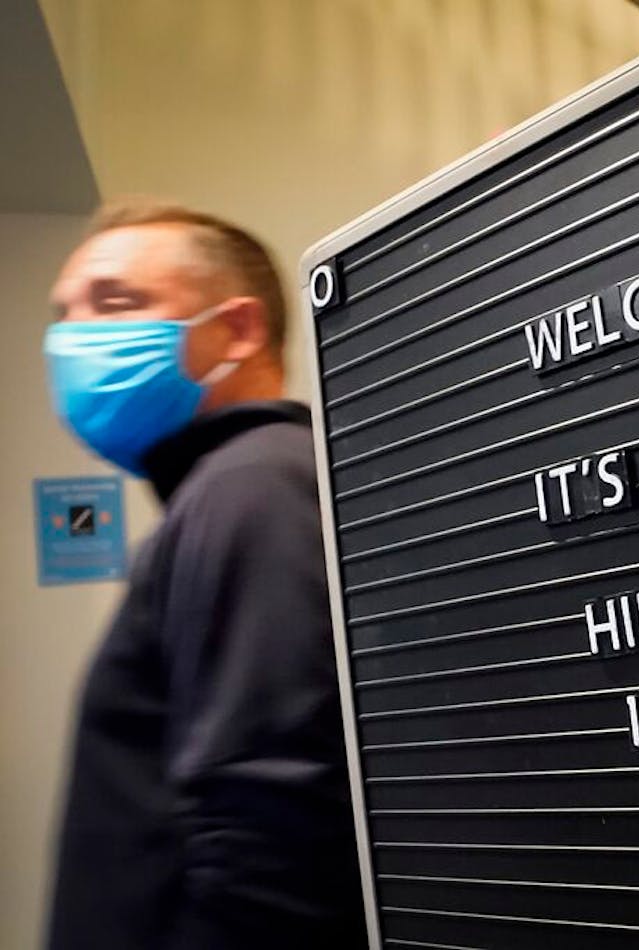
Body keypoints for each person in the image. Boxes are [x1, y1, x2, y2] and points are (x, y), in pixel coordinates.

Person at [42, 203, 368, 949]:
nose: (72, 338)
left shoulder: (251, 489)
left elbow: (270, 833)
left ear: (240, 330)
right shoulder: (223, 492)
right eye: (65, 314)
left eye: (116, 302)